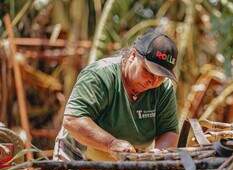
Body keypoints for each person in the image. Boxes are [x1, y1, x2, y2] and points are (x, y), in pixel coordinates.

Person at [54, 29, 179, 161]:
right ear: (133, 55)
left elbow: (169, 131)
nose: (153, 81)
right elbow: (72, 120)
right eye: (148, 71)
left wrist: (158, 156)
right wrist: (111, 144)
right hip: (77, 158)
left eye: (161, 77)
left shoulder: (164, 88)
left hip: (125, 164)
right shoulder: (100, 75)